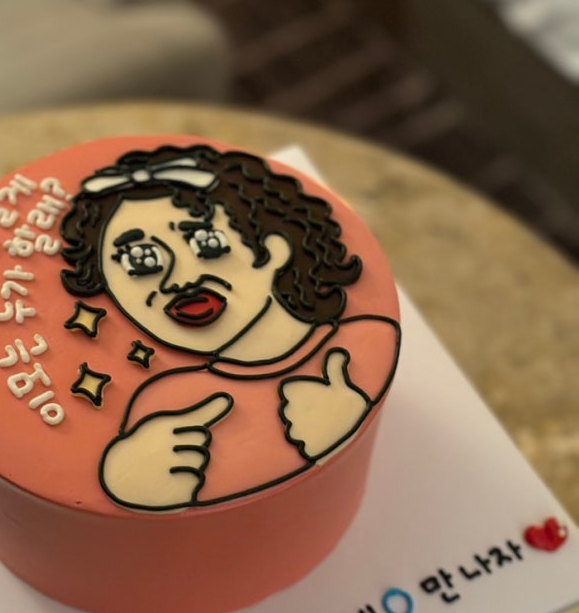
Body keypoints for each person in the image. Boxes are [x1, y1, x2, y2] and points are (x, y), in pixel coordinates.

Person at [60, 143, 400, 510]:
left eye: (206, 242)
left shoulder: (371, 344)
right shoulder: (166, 405)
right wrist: (134, 481)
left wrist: (341, 429)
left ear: (274, 248)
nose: (179, 281)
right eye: (140, 262)